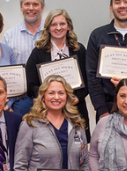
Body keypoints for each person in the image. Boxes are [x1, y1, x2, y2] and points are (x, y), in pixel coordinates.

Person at [24, 8, 90, 136]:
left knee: (79, 148)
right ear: (48, 28)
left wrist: (76, 98)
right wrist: (48, 98)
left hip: (76, 109)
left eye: (62, 24)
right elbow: (30, 85)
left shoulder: (79, 50)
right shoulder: (38, 52)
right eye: (54, 24)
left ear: (69, 26)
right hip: (47, 112)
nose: (58, 28)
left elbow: (88, 81)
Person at [2, 0, 46, 116]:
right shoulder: (9, 36)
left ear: (42, 7)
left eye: (35, 4)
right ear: (21, 7)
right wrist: (8, 103)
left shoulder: (52, 32)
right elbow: (5, 71)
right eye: (27, 4)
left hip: (48, 97)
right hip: (20, 100)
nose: (31, 8)